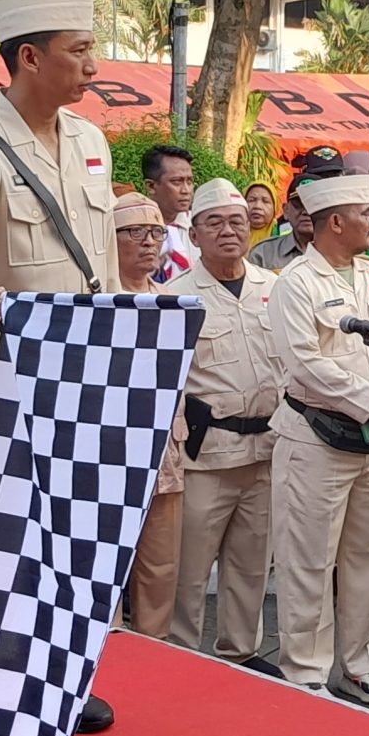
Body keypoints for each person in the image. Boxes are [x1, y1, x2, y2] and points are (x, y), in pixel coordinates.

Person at [0, 0, 122, 733]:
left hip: (91, 372)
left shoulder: (90, 142)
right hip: (9, 378)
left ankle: (64, 675)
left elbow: (99, 259)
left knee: (75, 534)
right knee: (4, 538)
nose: (93, 66)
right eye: (78, 51)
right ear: (29, 57)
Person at [264, 172, 369, 703]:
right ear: (336, 222)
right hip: (315, 438)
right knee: (308, 559)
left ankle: (361, 664)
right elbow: (305, 366)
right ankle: (305, 671)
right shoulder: (295, 282)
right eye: (365, 214)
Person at [165, 180, 284, 674]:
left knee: (251, 565)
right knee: (189, 571)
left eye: (236, 221)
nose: (228, 231)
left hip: (267, 450)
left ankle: (240, 655)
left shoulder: (275, 290)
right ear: (194, 235)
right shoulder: (175, 298)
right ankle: (182, 659)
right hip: (207, 455)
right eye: (213, 222)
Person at [111, 192, 188, 639]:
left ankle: (154, 649)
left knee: (161, 565)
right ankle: (108, 651)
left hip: (165, 449)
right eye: (133, 232)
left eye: (156, 232)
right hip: (109, 448)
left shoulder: (172, 302)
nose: (148, 242)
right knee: (106, 560)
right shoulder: (93, 300)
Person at [141, 143, 197, 282]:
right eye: (177, 182)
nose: (186, 190)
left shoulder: (201, 226)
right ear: (151, 186)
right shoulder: (132, 231)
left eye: (189, 181)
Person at [249, 166, 318, 272]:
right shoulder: (263, 254)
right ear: (286, 211)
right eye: (298, 204)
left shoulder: (344, 253)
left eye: (313, 204)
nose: (305, 211)